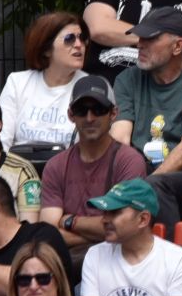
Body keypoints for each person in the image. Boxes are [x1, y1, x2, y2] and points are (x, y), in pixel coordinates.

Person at [110, 8, 182, 231]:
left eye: (150, 38)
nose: (140, 44)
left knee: (156, 185)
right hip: (143, 169)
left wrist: (140, 188)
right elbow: (119, 139)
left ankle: (174, 259)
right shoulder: (127, 79)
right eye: (140, 37)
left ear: (178, 46)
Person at [41, 82, 151, 263]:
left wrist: (71, 221)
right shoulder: (56, 165)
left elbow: (127, 225)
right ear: (71, 115)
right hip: (68, 262)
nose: (90, 118)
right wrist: (103, 233)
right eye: (81, 110)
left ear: (113, 113)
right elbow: (48, 234)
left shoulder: (129, 160)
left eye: (98, 109)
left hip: (119, 258)